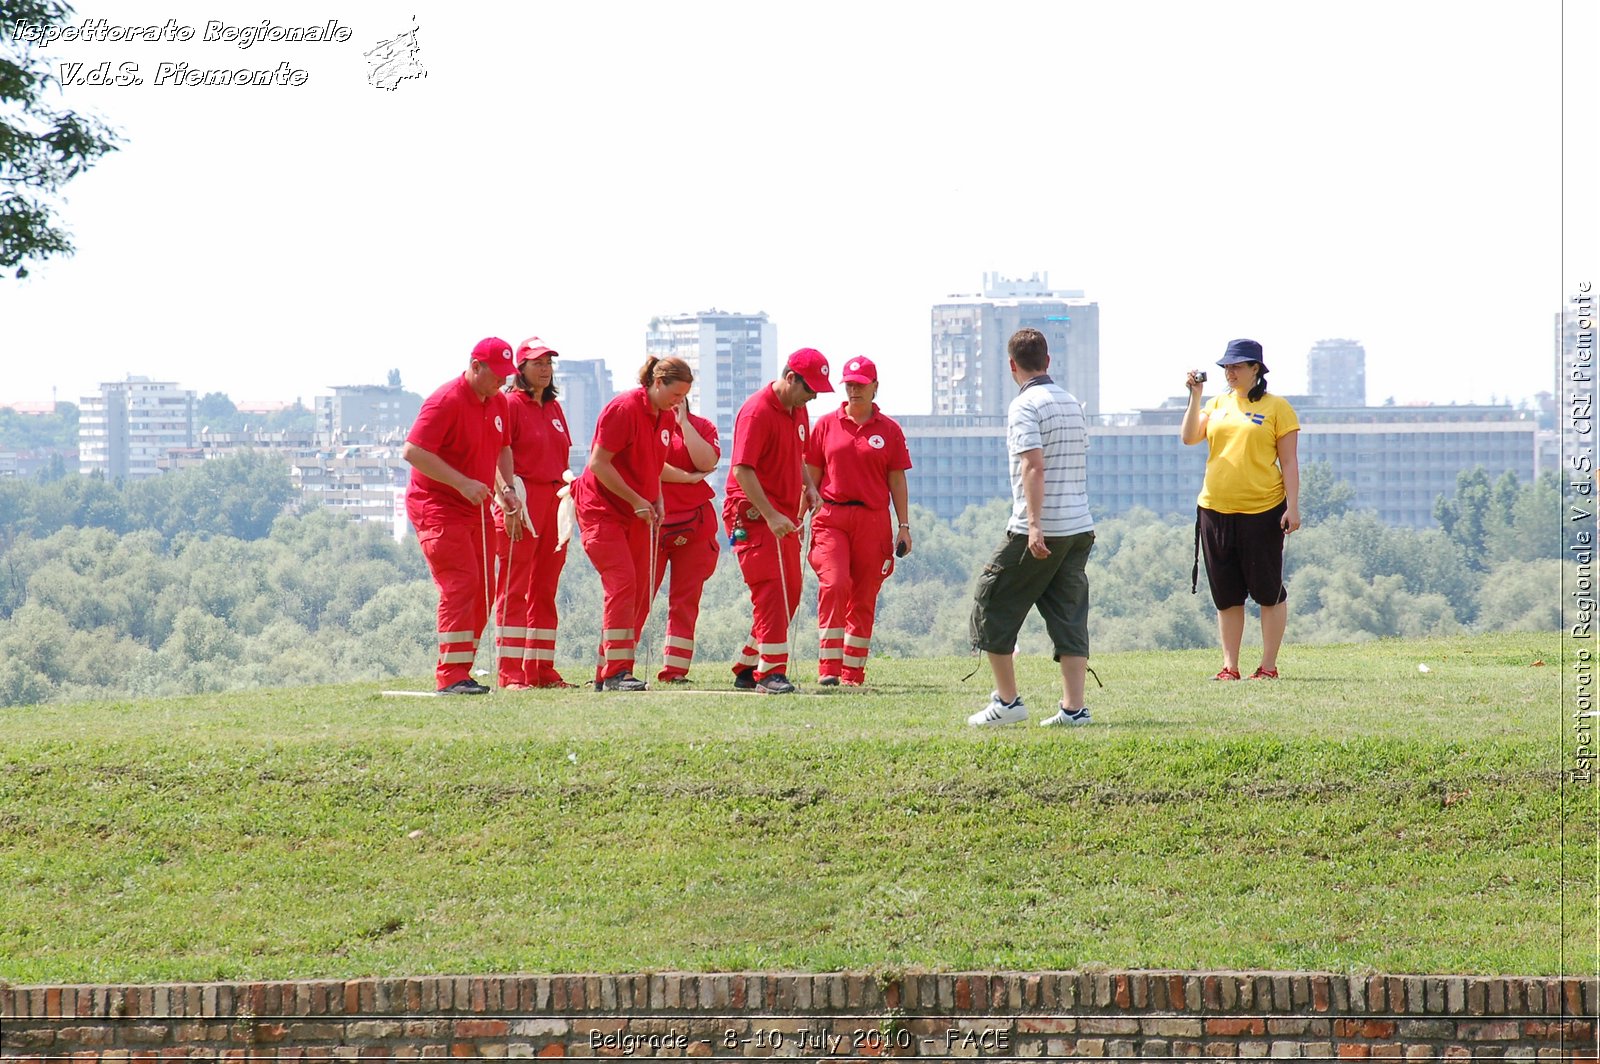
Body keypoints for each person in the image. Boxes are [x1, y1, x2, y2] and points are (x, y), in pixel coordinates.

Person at [966, 328, 1095, 727]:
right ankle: (1074, 709)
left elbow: (1033, 465)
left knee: (992, 604)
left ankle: (1008, 703)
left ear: (1011, 366)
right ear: (1048, 361)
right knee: (1069, 615)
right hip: (1078, 526)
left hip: (1039, 527)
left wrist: (1035, 526)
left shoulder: (1025, 406)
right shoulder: (1071, 402)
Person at [402, 337, 522, 695]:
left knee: (485, 588)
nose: (502, 381)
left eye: (506, 374)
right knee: (461, 583)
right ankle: (450, 675)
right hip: (437, 506)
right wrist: (462, 483)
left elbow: (503, 448)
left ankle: (462, 670)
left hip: (477, 506)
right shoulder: (444, 401)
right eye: (496, 374)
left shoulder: (499, 402)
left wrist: (507, 489)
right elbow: (413, 451)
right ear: (474, 366)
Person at [1180, 338, 1301, 680]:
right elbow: (1189, 437)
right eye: (1226, 367)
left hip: (1263, 510)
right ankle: (1230, 666)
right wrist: (1195, 397)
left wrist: (1293, 507)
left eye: (1236, 366)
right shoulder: (1217, 404)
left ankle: (1268, 666)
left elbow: (1289, 461)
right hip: (1215, 509)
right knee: (1226, 592)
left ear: (1255, 370)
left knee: (1268, 590)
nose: (1229, 372)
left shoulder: (1278, 408)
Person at [571, 356, 694, 691]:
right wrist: (638, 499)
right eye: (675, 394)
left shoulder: (666, 418)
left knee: (639, 589)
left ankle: (608, 671)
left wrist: (657, 499)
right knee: (623, 583)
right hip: (601, 510)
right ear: (657, 383)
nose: (678, 402)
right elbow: (599, 464)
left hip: (636, 512)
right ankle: (616, 673)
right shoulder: (623, 408)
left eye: (683, 396)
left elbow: (653, 465)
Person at [724, 348, 832, 694]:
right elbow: (742, 469)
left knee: (790, 592)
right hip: (755, 516)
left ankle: (748, 666)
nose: (812, 397)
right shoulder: (757, 412)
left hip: (783, 516)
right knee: (771, 590)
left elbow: (797, 455)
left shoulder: (797, 411)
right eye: (809, 389)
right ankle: (770, 674)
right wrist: (769, 514)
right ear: (790, 378)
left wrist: (809, 487)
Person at [803, 356, 912, 686]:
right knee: (834, 585)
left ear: (875, 387)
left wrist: (904, 526)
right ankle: (828, 669)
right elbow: (812, 476)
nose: (854, 390)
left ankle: (852, 673)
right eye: (849, 384)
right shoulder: (825, 424)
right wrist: (799, 516)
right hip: (831, 516)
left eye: (861, 385)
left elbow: (897, 481)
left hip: (873, 519)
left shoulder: (889, 430)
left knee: (865, 595)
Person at [492, 337, 575, 689]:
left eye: (549, 363)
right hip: (522, 501)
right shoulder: (509, 404)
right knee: (514, 587)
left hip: (554, 500)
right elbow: (496, 453)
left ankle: (540, 670)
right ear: (520, 368)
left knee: (545, 587)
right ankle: (510, 672)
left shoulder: (555, 408)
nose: (545, 369)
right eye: (537, 363)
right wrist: (506, 499)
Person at [650, 400, 721, 683]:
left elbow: (707, 461)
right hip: (652, 523)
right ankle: (616, 666)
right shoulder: (647, 424)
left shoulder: (703, 426)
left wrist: (684, 424)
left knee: (685, 600)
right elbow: (648, 465)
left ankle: (675, 670)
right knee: (635, 596)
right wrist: (689, 478)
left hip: (694, 525)